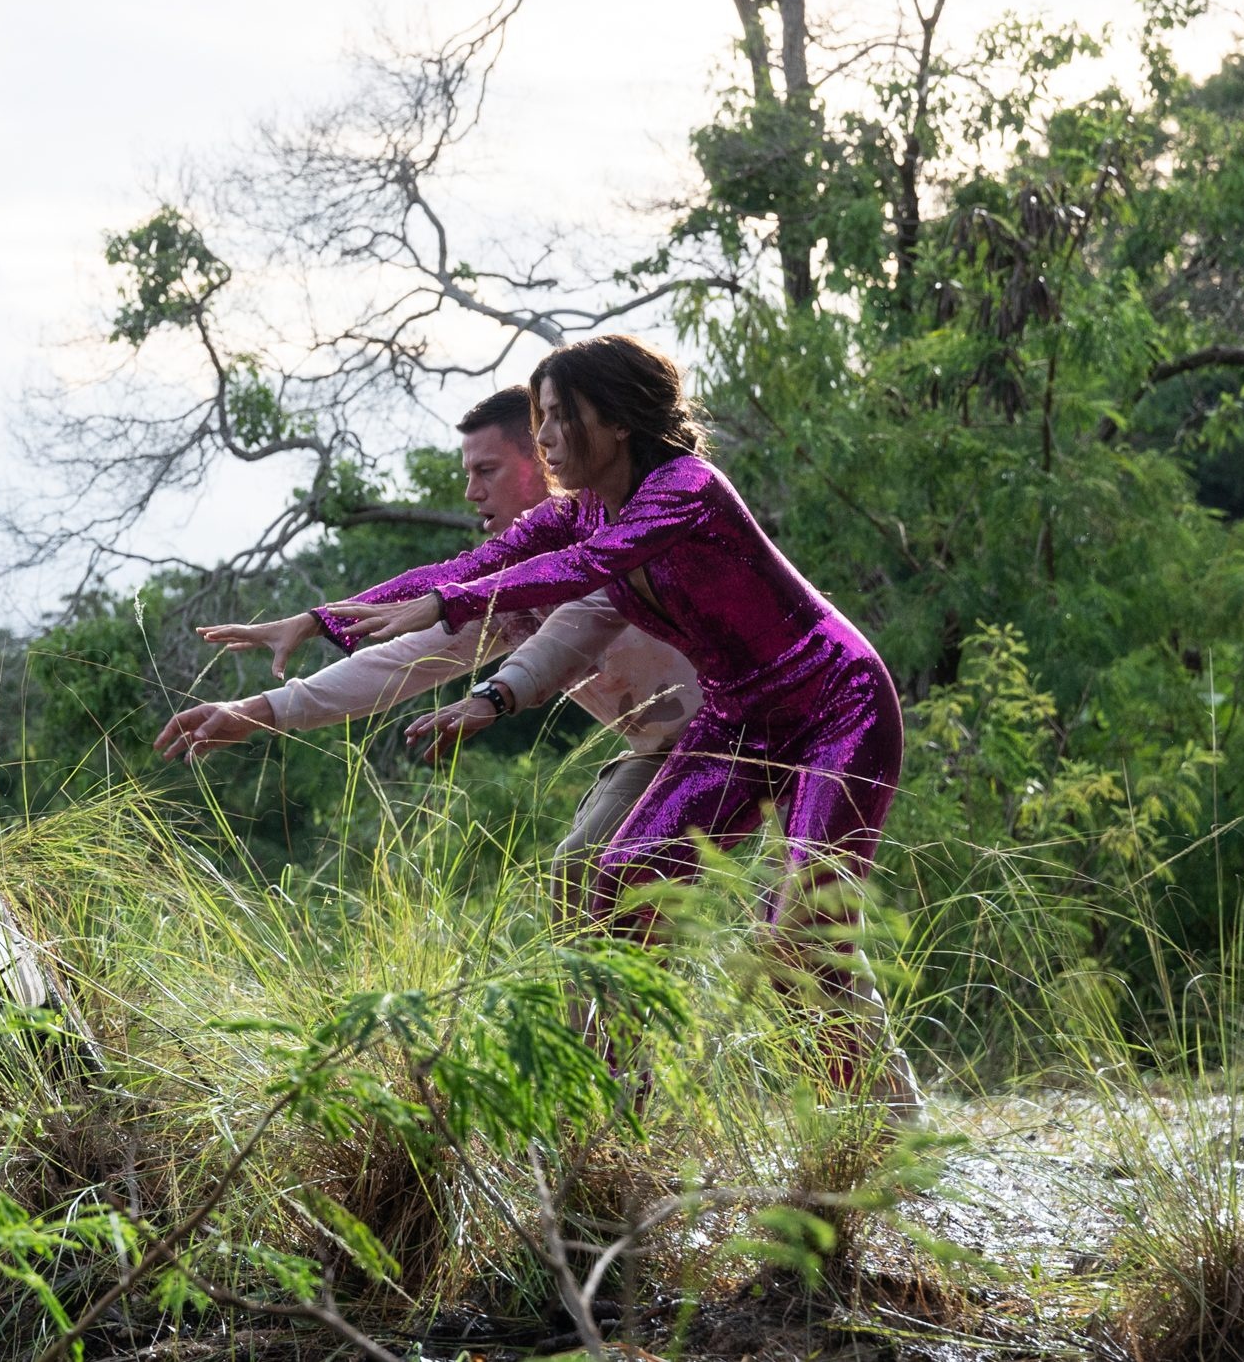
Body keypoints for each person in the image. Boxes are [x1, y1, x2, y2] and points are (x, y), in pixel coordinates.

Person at [324, 335, 905, 1081]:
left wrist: (450, 604)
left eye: (563, 416)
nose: (548, 437)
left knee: (799, 935)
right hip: (736, 723)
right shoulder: (584, 511)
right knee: (619, 883)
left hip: (836, 704)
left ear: (619, 420)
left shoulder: (686, 489)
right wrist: (321, 619)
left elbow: (579, 570)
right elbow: (469, 565)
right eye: (541, 417)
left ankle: (864, 1135)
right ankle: (614, 1105)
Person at [154, 387, 704, 881]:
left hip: (754, 725)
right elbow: (401, 661)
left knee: (764, 919)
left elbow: (575, 622)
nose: (470, 492)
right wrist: (259, 707)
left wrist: (491, 699)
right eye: (467, 474)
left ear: (546, 458)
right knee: (575, 884)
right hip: (668, 752)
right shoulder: (506, 587)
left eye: (486, 471)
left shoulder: (627, 530)